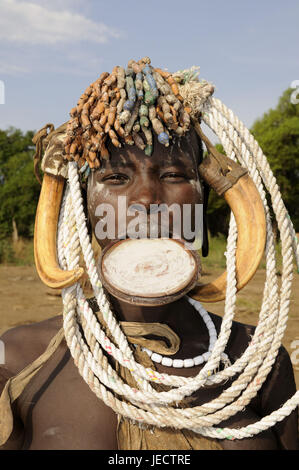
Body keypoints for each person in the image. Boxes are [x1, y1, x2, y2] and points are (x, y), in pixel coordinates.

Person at [0, 58, 298, 450]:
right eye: (115, 178)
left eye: (174, 175)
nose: (146, 201)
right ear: (85, 209)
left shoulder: (257, 363)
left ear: (204, 197)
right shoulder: (21, 356)